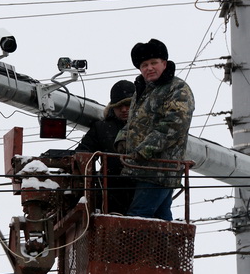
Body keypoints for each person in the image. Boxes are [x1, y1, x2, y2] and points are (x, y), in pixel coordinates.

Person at [114, 38, 195, 221]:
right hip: (143, 169)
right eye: (144, 65)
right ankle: (168, 241)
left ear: (164, 64)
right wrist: (122, 139)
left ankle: (145, 242)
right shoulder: (143, 91)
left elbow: (174, 125)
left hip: (159, 170)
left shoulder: (177, 88)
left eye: (153, 63)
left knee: (138, 217)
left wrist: (144, 150)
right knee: (159, 219)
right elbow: (135, 122)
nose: (149, 68)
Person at [76, 80, 136, 214]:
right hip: (111, 192)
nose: (124, 109)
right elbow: (83, 152)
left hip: (142, 189)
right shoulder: (101, 128)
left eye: (128, 104)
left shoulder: (148, 126)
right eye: (118, 106)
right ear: (112, 107)